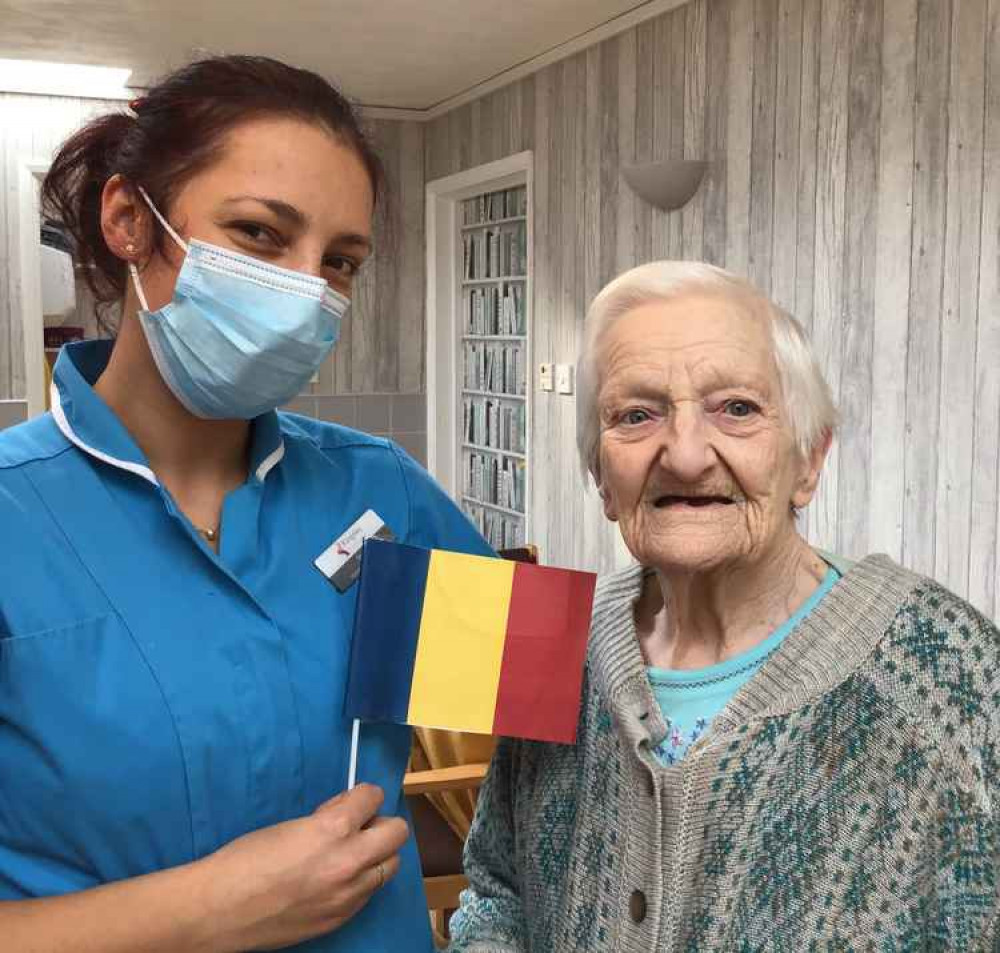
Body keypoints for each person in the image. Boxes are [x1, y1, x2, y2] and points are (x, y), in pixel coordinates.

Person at [0, 55, 490, 952]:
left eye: (339, 261)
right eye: (262, 235)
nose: (307, 291)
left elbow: (533, 697)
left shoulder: (378, 491)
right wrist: (207, 910)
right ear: (127, 222)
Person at [447, 261, 1000, 951]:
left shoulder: (953, 675)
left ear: (808, 460)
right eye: (637, 414)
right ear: (602, 480)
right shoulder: (558, 644)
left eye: (736, 408)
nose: (683, 454)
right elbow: (498, 890)